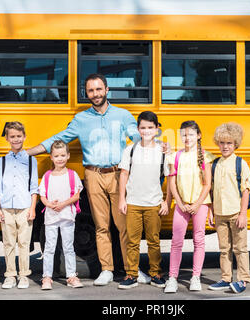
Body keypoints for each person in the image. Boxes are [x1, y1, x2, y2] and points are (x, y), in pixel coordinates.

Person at [27, 73, 162, 286]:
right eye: (91, 90)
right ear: (86, 93)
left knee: (124, 225)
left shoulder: (123, 115)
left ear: (107, 90)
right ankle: (107, 269)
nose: (95, 94)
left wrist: (163, 146)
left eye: (99, 89)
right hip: (92, 174)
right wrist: (27, 153)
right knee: (101, 226)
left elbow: (142, 138)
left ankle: (132, 270)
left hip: (118, 173)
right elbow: (58, 138)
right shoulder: (81, 119)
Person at [117, 111, 171, 290]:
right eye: (143, 128)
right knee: (132, 241)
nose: (147, 131)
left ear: (157, 129)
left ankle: (155, 273)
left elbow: (170, 177)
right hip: (133, 202)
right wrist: (122, 199)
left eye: (150, 127)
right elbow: (124, 174)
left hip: (154, 203)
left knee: (153, 241)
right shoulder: (130, 149)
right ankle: (131, 274)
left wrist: (166, 201)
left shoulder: (162, 151)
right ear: (138, 130)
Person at [164, 121, 215, 293]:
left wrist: (197, 204)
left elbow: (208, 184)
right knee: (176, 241)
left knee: (198, 240)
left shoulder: (205, 157)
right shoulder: (176, 157)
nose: (187, 138)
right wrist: (179, 202)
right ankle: (172, 277)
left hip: (199, 204)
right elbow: (172, 183)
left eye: (191, 134)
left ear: (198, 136)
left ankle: (195, 277)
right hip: (182, 204)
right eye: (184, 135)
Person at [207, 122, 250, 294]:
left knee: (240, 248)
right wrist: (211, 212)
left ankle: (243, 280)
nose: (225, 146)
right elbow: (211, 190)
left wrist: (242, 214)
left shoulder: (241, 163)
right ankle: (226, 278)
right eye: (222, 143)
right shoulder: (215, 164)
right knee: (224, 249)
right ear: (218, 143)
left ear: (235, 144)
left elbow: (245, 190)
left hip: (235, 213)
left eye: (229, 143)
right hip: (219, 214)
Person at [0, 121, 38, 289]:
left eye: (19, 136)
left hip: (25, 206)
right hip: (6, 207)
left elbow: (34, 187)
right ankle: (10, 275)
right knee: (8, 242)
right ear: (7, 138)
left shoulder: (31, 160)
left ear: (24, 137)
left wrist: (33, 208)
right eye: (12, 136)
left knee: (24, 243)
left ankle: (24, 275)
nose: (16, 139)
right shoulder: (1, 161)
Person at [39, 140, 84, 290]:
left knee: (68, 247)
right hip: (51, 217)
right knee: (49, 247)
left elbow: (76, 195)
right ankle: (47, 277)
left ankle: (71, 275)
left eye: (63, 155)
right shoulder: (47, 176)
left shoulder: (72, 175)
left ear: (68, 156)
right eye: (57, 156)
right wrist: (50, 204)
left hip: (67, 216)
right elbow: (43, 196)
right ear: (51, 157)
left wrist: (63, 204)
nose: (60, 158)